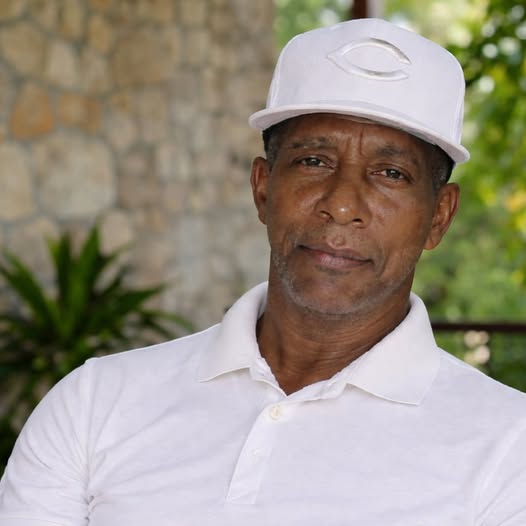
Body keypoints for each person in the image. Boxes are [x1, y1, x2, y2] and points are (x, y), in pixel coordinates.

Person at [1, 17, 525, 526]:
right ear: (262, 188)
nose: (342, 204)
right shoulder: (94, 403)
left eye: (390, 173)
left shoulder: (508, 448)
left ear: (439, 217)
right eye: (314, 161)